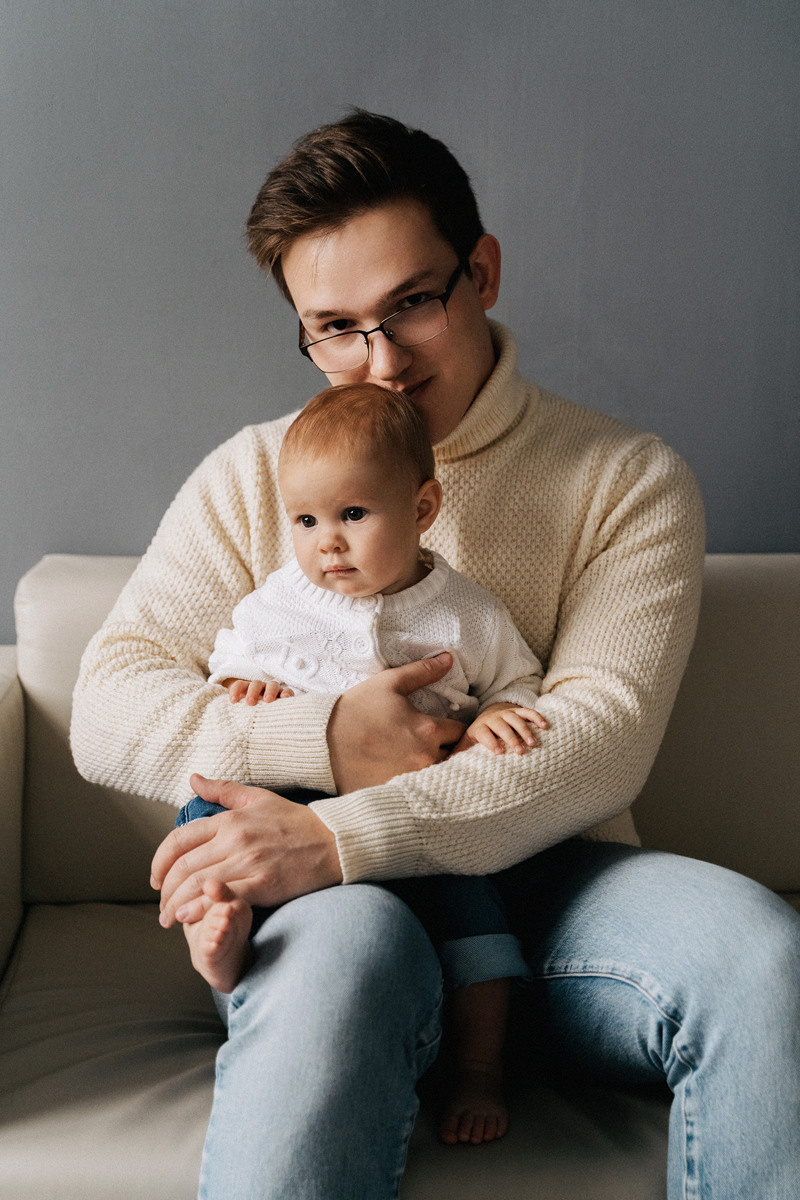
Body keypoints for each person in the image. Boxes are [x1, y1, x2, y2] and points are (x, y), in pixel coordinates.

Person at [70, 110, 800, 1199]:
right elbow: (108, 707)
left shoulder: (625, 479)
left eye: (410, 302)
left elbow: (596, 738)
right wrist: (318, 738)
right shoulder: (251, 476)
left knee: (756, 949)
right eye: (332, 327)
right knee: (344, 952)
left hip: (549, 888)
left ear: (482, 271)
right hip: (332, 920)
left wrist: (340, 830)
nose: (378, 360)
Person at [180, 380, 547, 1144]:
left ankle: (479, 1067)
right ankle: (222, 943)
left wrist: (500, 711)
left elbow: (516, 678)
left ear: (421, 509)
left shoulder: (464, 611)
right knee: (206, 817)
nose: (328, 543)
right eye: (306, 521)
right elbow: (223, 676)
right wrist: (246, 685)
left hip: (414, 824)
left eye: (353, 515)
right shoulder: (277, 603)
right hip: (286, 803)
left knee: (477, 918)